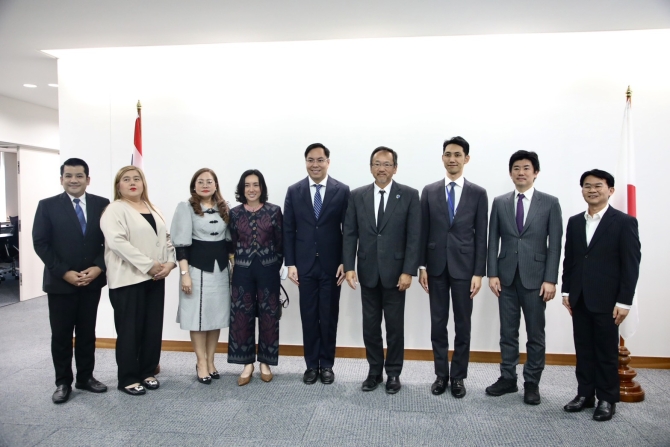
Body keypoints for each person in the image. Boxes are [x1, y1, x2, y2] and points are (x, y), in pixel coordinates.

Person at [561, 169, 640, 421]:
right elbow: (570, 259)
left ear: (610, 190)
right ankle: (585, 394)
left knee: (606, 352)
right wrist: (566, 290)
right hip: (579, 297)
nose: (592, 190)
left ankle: (607, 398)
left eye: (598, 186)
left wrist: (624, 301)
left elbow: (631, 265)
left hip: (608, 300)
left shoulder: (624, 222)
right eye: (587, 186)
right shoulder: (575, 222)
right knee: (583, 349)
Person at [486, 151, 563, 405]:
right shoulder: (500, 202)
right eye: (516, 168)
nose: (521, 172)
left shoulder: (550, 203)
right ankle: (508, 378)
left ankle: (532, 383)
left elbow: (555, 245)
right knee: (507, 332)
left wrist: (550, 279)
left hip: (536, 279)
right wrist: (492, 273)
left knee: (535, 334)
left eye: (526, 168)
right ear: (510, 173)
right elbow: (492, 240)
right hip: (505, 278)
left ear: (535, 172)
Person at [343, 146, 421, 394]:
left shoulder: (409, 195)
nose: (382, 168)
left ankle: (394, 373)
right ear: (371, 168)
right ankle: (374, 371)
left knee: (395, 327)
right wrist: (349, 267)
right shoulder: (357, 196)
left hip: (397, 274)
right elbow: (350, 233)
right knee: (370, 326)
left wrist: (409, 270)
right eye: (377, 164)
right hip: (367, 271)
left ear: (395, 168)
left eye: (387, 164)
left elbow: (414, 236)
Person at [33, 158, 110, 404]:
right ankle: (63, 382)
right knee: (62, 335)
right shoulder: (47, 206)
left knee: (87, 333)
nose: (73, 180)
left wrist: (99, 267)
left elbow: (110, 241)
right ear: (61, 179)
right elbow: (41, 243)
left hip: (91, 281)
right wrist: (64, 272)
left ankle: (85, 377)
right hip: (60, 283)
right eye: (68, 176)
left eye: (79, 176)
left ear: (88, 179)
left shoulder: (102, 204)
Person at [418, 136, 488, 398]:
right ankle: (441, 375)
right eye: (448, 154)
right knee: (438, 323)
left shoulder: (478, 193)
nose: (452, 159)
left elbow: (481, 235)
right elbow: (423, 231)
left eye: (458, 154)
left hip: (464, 269)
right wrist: (422, 266)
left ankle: (458, 376)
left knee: (463, 324)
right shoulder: (429, 191)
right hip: (435, 267)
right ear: (442, 158)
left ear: (466, 159)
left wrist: (478, 272)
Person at [100, 166, 176, 396]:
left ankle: (147, 371)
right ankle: (128, 378)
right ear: (118, 185)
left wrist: (170, 263)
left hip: (155, 278)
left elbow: (166, 239)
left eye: (137, 178)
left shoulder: (153, 208)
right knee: (129, 331)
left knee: (152, 328)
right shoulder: (114, 210)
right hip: (128, 279)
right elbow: (118, 243)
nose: (132, 183)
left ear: (143, 183)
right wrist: (149, 264)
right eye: (126, 179)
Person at [283, 143, 350, 385]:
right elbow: (288, 229)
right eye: (310, 160)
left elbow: (348, 230)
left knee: (329, 316)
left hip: (333, 266)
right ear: (306, 162)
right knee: (309, 316)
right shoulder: (294, 191)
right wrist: (290, 263)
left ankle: (327, 365)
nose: (315, 164)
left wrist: (345, 261)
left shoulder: (342, 190)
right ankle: (311, 365)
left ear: (328, 162)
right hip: (304, 265)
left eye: (320, 160)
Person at [171, 168, 232, 385]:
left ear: (216, 185)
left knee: (215, 316)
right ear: (194, 186)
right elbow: (180, 244)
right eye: (200, 181)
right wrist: (184, 274)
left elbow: (229, 241)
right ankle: (201, 362)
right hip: (196, 269)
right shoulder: (185, 207)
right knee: (197, 318)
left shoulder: (224, 207)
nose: (205, 185)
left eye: (209, 181)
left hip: (220, 270)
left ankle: (211, 360)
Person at [227, 169, 283, 386]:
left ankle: (266, 363)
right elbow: (231, 243)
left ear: (262, 188)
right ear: (242, 189)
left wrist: (275, 264)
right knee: (242, 315)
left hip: (268, 270)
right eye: (247, 185)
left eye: (256, 184)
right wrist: (236, 262)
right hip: (242, 271)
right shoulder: (234, 213)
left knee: (269, 316)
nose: (251, 189)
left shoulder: (274, 211)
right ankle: (247, 363)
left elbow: (280, 243)